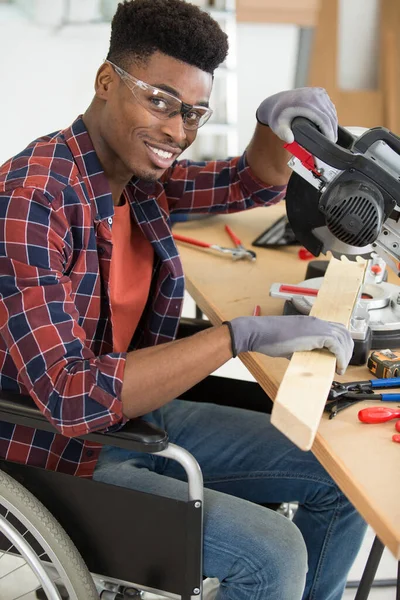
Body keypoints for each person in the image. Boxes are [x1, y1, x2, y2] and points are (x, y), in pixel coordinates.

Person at [0, 1, 366, 598]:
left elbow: (252, 180)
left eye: (194, 112)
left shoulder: (138, 180)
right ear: (105, 82)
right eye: (161, 101)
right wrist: (232, 338)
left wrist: (276, 125)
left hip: (134, 416)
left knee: (339, 474)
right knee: (274, 554)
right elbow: (72, 398)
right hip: (57, 455)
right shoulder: (32, 201)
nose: (178, 130)